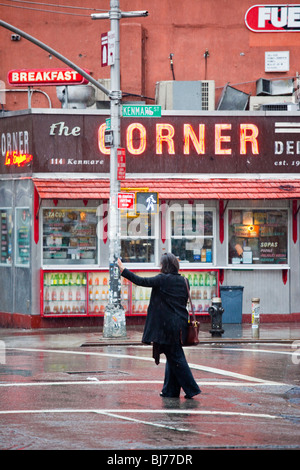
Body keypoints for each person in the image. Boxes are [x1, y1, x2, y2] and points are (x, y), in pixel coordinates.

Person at [117, 253, 201, 399]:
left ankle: (192, 389)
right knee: (172, 356)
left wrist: (123, 270)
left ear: (165, 266)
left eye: (161, 264)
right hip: (180, 325)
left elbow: (141, 281)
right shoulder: (184, 281)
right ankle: (170, 390)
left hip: (166, 326)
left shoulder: (162, 279)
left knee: (176, 357)